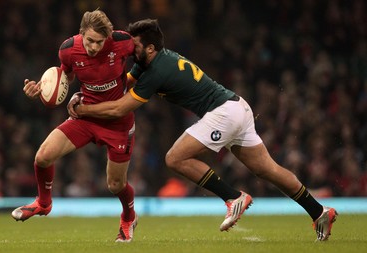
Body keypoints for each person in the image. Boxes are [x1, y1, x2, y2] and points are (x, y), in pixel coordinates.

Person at [68, 19, 338, 241]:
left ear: (149, 48)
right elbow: (120, 85)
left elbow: (119, 108)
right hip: (236, 106)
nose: (129, 50)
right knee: (268, 170)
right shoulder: (149, 62)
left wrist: (82, 110)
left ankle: (234, 197)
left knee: (175, 158)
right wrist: (86, 93)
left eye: (134, 46)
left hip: (223, 111)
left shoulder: (156, 71)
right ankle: (319, 211)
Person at [11, 9, 138, 243]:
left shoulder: (123, 43)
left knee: (115, 184)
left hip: (118, 122)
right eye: (90, 41)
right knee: (42, 157)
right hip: (84, 116)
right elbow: (65, 77)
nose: (94, 47)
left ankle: (129, 216)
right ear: (81, 34)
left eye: (100, 42)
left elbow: (146, 60)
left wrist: (136, 88)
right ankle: (43, 203)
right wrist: (42, 88)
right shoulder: (68, 49)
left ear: (108, 38)